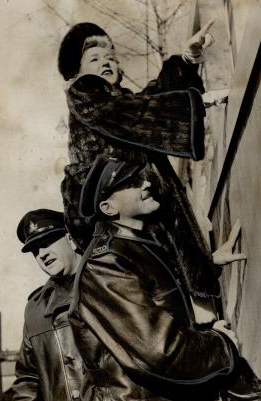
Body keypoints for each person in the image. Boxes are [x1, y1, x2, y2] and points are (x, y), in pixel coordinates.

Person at [68, 156, 261, 401]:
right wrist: (221, 346)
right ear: (108, 208)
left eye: (141, 178)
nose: (146, 185)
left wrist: (204, 331)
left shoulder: (134, 246)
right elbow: (157, 349)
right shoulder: (106, 261)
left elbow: (162, 313)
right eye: (132, 182)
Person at [58, 21, 224, 302]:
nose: (106, 62)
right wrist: (195, 102)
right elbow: (136, 112)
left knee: (181, 296)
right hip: (128, 217)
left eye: (111, 57)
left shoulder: (122, 100)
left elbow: (149, 100)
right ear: (76, 74)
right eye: (95, 59)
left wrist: (186, 58)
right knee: (169, 298)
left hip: (144, 212)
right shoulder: (85, 92)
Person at [12, 209, 85, 401]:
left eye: (47, 242)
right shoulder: (36, 309)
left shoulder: (109, 283)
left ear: (70, 238)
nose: (42, 254)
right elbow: (27, 379)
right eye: (36, 250)